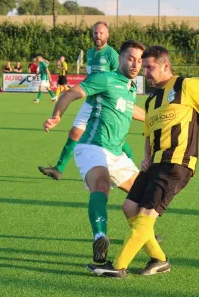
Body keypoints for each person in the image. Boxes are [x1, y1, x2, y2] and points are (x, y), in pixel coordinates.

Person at [87, 45, 199, 278]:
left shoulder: (186, 86)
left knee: (146, 215)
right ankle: (159, 260)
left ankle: (119, 266)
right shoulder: (151, 101)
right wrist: (147, 158)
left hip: (177, 163)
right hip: (156, 164)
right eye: (144, 68)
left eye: (150, 67)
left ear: (165, 65)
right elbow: (149, 133)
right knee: (129, 206)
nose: (145, 72)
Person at [43, 40, 147, 263]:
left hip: (117, 153)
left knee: (143, 194)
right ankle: (100, 237)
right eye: (131, 59)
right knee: (100, 184)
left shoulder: (131, 87)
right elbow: (70, 93)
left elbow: (130, 110)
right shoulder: (105, 78)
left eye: (139, 60)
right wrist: (57, 115)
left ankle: (144, 235)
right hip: (92, 146)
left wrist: (156, 119)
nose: (136, 64)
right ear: (119, 59)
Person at [39, 21, 136, 181]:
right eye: (95, 33)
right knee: (75, 133)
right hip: (91, 101)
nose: (98, 36)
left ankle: (133, 165)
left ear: (107, 35)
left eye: (101, 33)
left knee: (116, 138)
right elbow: (91, 78)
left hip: (107, 103)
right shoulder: (90, 53)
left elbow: (120, 76)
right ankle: (59, 169)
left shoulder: (111, 54)